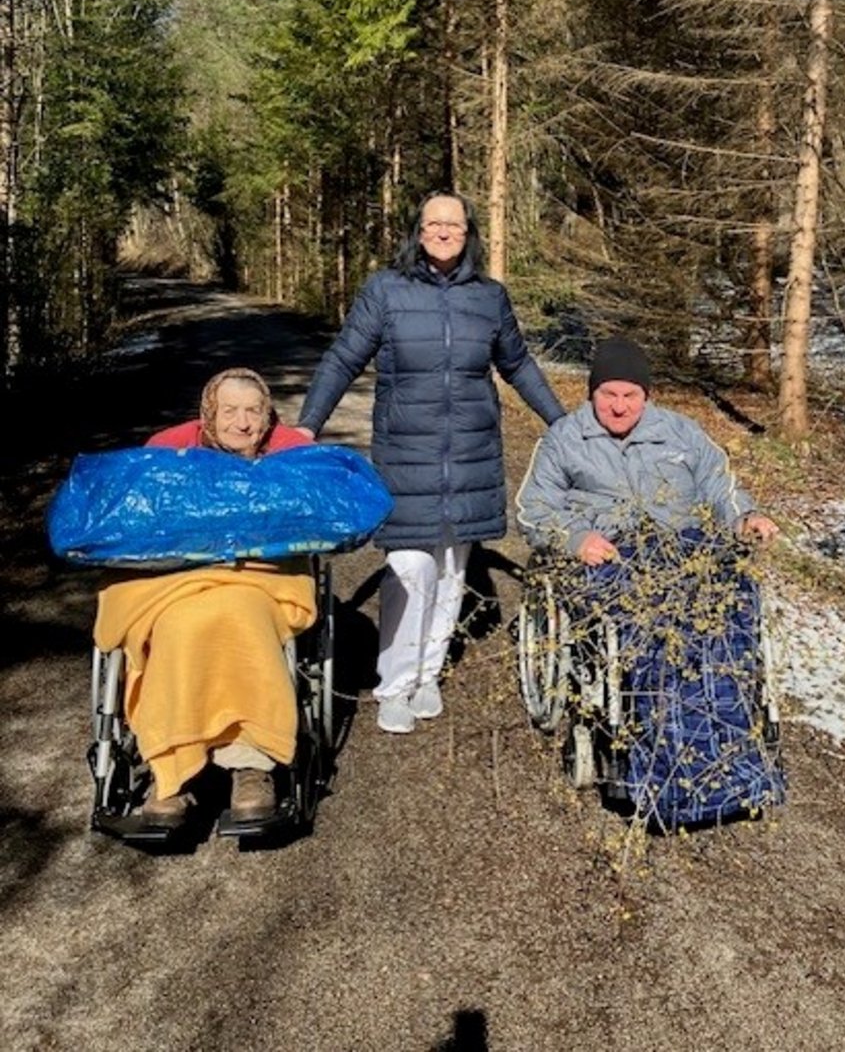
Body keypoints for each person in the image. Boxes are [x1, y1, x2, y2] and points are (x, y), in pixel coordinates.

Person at [297, 191, 564, 734]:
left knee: (450, 572)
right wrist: (307, 424)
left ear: (469, 234)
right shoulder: (386, 290)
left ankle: (427, 676)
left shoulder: (489, 297)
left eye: (455, 224)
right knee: (410, 568)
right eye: (434, 223)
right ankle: (394, 685)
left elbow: (517, 365)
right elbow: (345, 356)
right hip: (406, 453)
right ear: (417, 231)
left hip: (470, 452)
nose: (444, 232)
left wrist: (564, 423)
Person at [93, 368, 316, 826]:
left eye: (253, 411)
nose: (241, 422)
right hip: (178, 581)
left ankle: (252, 762)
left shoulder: (289, 454)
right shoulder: (170, 451)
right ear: (208, 415)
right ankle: (172, 771)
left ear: (267, 416)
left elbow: (319, 516)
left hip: (258, 581)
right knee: (177, 625)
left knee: (240, 618)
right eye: (228, 410)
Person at [516, 336, 778, 559]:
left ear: (646, 396)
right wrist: (576, 539)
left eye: (630, 396)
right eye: (608, 395)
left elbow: (720, 488)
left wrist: (745, 518)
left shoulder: (683, 433)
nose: (619, 408)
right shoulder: (564, 440)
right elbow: (534, 510)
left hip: (684, 548)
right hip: (609, 554)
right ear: (592, 394)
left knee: (738, 597)